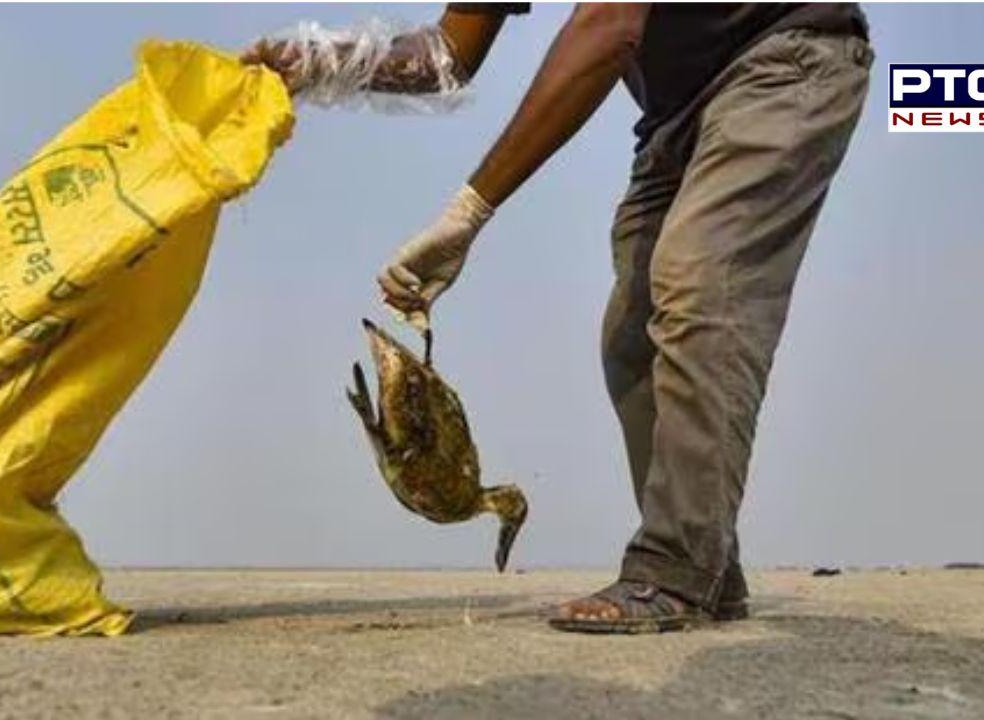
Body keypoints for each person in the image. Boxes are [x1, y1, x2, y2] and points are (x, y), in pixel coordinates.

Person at [246, 3, 872, 633]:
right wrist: (320, 62)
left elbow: (607, 27)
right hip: (677, 112)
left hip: (784, 60)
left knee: (697, 288)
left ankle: (674, 568)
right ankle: (709, 569)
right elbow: (446, 55)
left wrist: (469, 211)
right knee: (631, 338)